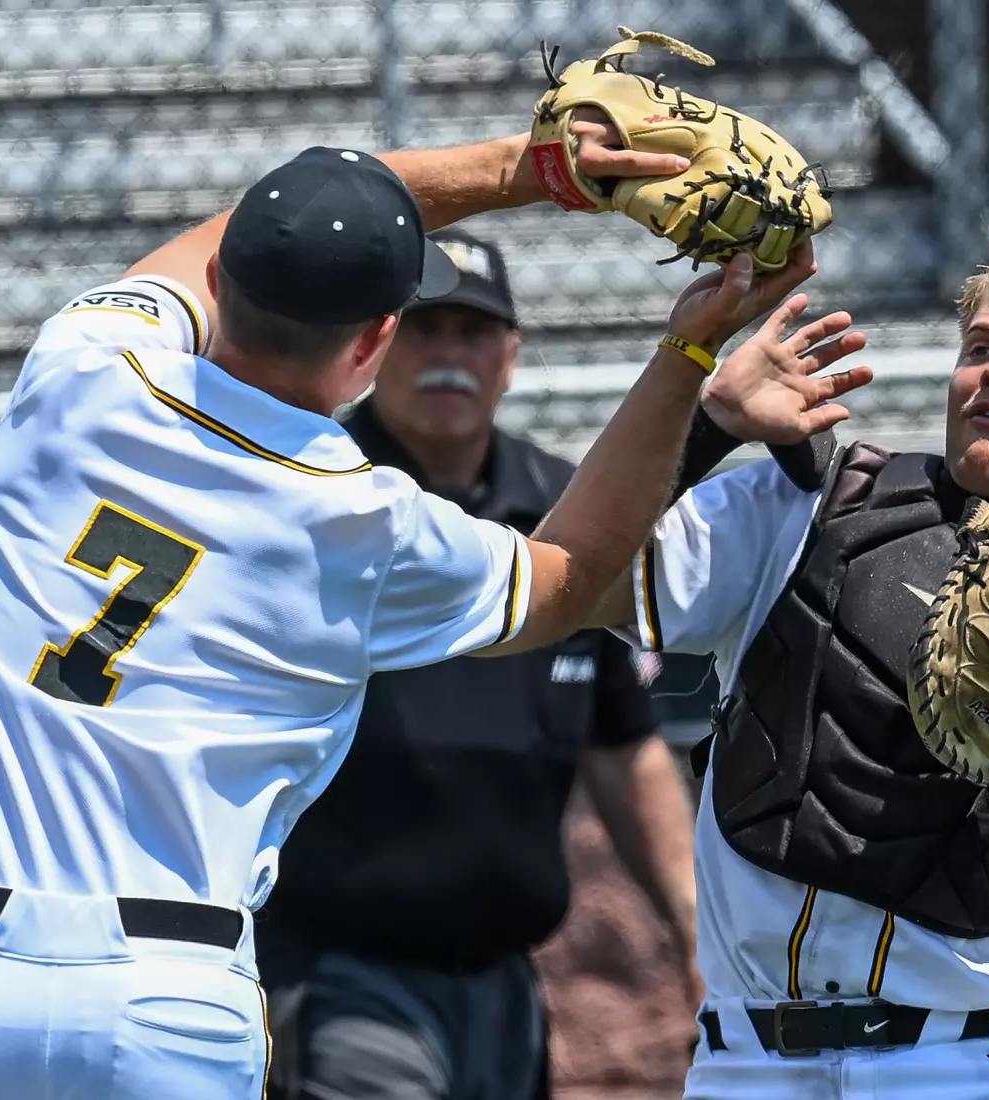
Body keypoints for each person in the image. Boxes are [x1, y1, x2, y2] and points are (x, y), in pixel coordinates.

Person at [0, 120, 874, 1099]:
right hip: (165, 993)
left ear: (227, 279)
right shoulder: (365, 522)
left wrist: (529, 166)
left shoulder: (79, 375)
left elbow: (230, 229)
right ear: (377, 339)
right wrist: (684, 354)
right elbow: (570, 571)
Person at [593, 258, 989, 1100]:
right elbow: (582, 586)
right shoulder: (812, 505)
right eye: (982, 346)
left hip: (960, 1069)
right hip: (741, 1063)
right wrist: (707, 423)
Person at [254, 229, 701, 1100]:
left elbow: (624, 745)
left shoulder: (568, 516)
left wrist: (692, 934)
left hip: (505, 982)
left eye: (473, 334)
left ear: (512, 356)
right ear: (374, 344)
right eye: (425, 332)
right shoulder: (314, 500)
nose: (448, 356)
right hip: (341, 972)